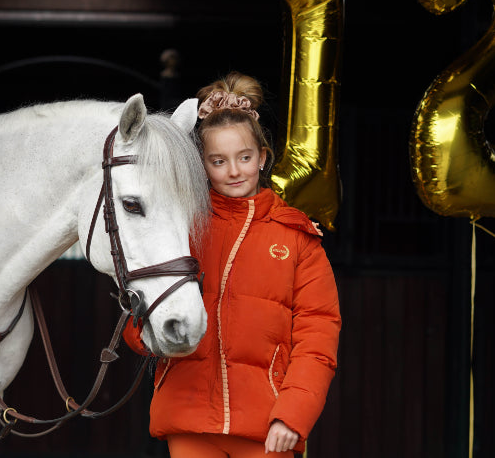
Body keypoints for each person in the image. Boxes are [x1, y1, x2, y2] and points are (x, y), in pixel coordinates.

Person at [123, 71, 341, 457]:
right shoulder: (185, 226)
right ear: (201, 164)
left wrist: (293, 414)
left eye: (244, 157)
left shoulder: (298, 237)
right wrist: (141, 332)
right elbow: (144, 306)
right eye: (218, 161)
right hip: (188, 416)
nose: (234, 170)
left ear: (262, 156)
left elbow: (318, 338)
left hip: (268, 424)